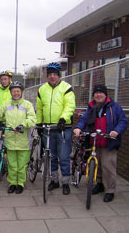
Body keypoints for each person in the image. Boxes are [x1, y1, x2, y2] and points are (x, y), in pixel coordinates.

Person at [73, 84, 127, 202]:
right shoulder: (91, 106)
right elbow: (84, 119)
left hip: (108, 142)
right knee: (97, 165)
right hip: (94, 141)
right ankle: (100, 184)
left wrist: (116, 131)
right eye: (96, 93)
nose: (98, 94)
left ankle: (110, 190)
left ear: (105, 94)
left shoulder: (114, 107)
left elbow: (123, 120)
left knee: (108, 167)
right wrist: (78, 128)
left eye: (101, 92)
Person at [0, 81, 36, 194]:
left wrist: (22, 124)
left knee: (21, 165)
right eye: (14, 91)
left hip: (24, 141)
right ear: (11, 92)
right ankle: (13, 183)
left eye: (18, 91)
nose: (16, 93)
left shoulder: (27, 105)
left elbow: (33, 119)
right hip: (10, 140)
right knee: (12, 164)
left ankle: (20, 183)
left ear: (21, 92)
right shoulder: (6, 105)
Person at [36, 62, 76, 195]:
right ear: (47, 76)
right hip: (48, 128)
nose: (52, 76)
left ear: (59, 75)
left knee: (64, 157)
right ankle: (54, 181)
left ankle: (65, 182)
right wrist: (39, 123)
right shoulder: (42, 89)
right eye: (50, 74)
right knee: (51, 156)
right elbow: (40, 109)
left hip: (63, 128)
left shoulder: (66, 88)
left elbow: (70, 105)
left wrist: (63, 118)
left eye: (55, 74)